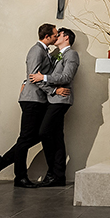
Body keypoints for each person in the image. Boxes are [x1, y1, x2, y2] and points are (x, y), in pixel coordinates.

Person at [0, 23, 69, 188]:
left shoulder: (44, 51)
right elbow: (34, 77)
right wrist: (54, 91)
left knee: (36, 136)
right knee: (25, 139)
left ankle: (0, 162)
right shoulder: (36, 51)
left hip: (38, 100)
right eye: (54, 35)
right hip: (32, 100)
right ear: (47, 36)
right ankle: (20, 177)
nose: (55, 37)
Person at [29, 27, 79, 187]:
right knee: (57, 137)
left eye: (59, 34)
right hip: (53, 99)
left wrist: (43, 77)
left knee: (44, 132)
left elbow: (67, 76)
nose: (56, 36)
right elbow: (35, 69)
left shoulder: (71, 54)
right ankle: (57, 176)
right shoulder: (56, 55)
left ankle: (53, 173)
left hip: (61, 100)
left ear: (67, 38)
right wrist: (27, 81)